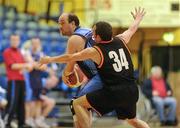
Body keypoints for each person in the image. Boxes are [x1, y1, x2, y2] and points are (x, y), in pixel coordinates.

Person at [39, 7, 150, 128]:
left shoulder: (96, 51)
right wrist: (138, 19)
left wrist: (50, 59)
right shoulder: (121, 39)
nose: (91, 34)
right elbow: (132, 29)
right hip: (132, 90)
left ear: (98, 37)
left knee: (77, 104)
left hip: (114, 91)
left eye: (93, 32)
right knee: (133, 121)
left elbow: (70, 57)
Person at [3, 34, 33, 128]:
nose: (15, 42)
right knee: (12, 102)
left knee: (21, 103)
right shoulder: (7, 52)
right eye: (13, 40)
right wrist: (26, 66)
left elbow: (25, 66)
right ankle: (7, 122)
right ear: (10, 41)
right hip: (13, 81)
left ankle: (21, 123)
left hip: (22, 80)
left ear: (19, 41)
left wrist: (28, 66)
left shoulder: (20, 52)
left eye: (16, 40)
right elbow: (13, 66)